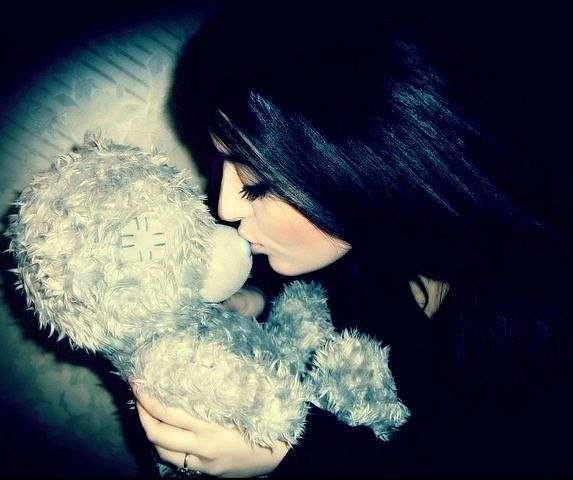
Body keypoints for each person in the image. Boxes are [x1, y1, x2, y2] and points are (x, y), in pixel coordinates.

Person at [131, 0, 571, 477]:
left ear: (371, 162)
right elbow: (331, 289)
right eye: (223, 165)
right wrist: (258, 298)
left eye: (257, 183)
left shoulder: (540, 335)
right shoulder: (370, 246)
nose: (224, 208)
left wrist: (294, 453)